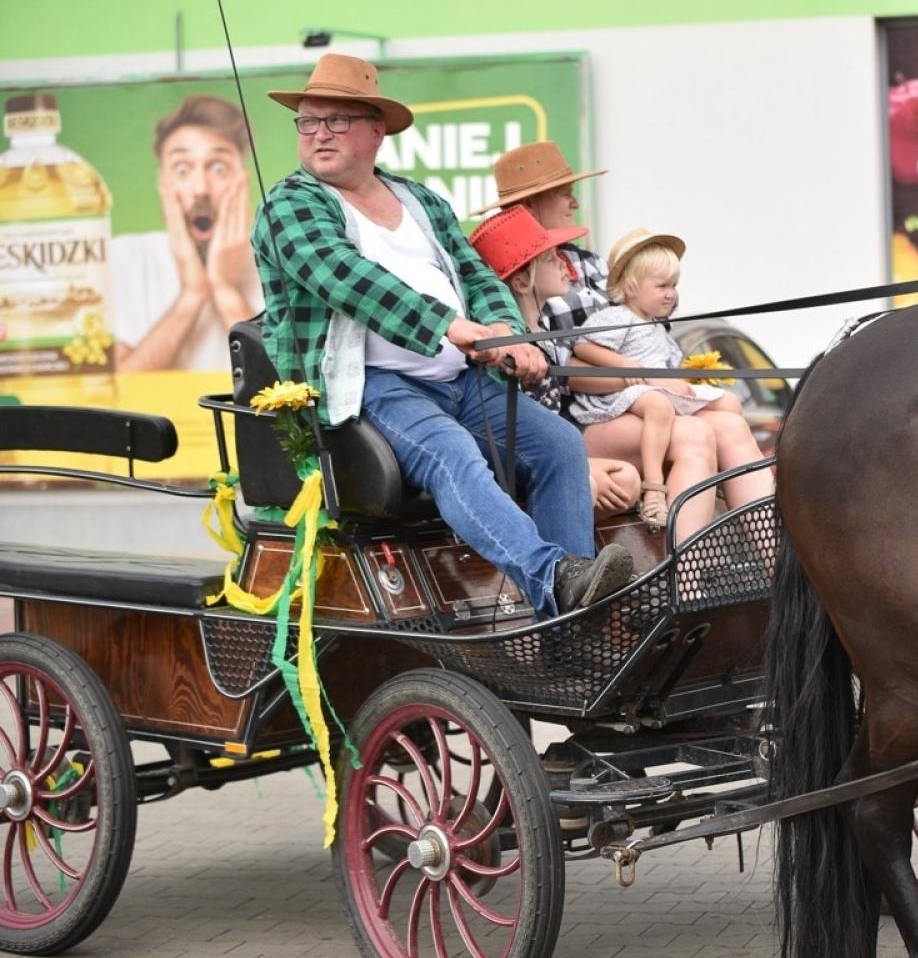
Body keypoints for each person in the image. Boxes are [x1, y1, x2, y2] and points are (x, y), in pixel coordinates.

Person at [249, 54, 631, 617]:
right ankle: (558, 583)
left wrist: (503, 330)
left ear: (375, 131)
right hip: (370, 387)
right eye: (308, 121)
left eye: (337, 121)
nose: (318, 134)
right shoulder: (291, 205)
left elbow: (476, 274)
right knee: (452, 456)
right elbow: (347, 279)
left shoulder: (419, 199)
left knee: (559, 444)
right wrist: (449, 326)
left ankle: (568, 625)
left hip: (458, 376)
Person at [571, 229, 773, 528]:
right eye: (662, 285)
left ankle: (730, 488)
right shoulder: (617, 317)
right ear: (630, 286)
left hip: (652, 390)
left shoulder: (656, 326)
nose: (671, 293)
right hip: (624, 399)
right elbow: (583, 347)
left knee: (729, 404)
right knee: (660, 406)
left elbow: (666, 367)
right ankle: (654, 487)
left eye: (674, 285)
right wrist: (628, 368)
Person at [465, 205, 643, 520]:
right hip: (521, 461)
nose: (564, 264)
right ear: (521, 283)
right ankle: (561, 562)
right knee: (595, 481)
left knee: (625, 478)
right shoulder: (511, 352)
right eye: (549, 259)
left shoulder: (545, 333)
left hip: (555, 451)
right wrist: (579, 469)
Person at [111, 94, 264, 372]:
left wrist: (225, 289)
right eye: (182, 169)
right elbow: (120, 391)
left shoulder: (277, 259)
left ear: (243, 180)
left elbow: (287, 388)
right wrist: (193, 294)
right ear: (163, 183)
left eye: (218, 168)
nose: (201, 189)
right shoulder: (127, 257)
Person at [472, 141, 608, 334]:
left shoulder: (592, 261)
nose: (575, 204)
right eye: (566, 194)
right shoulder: (505, 280)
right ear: (528, 204)